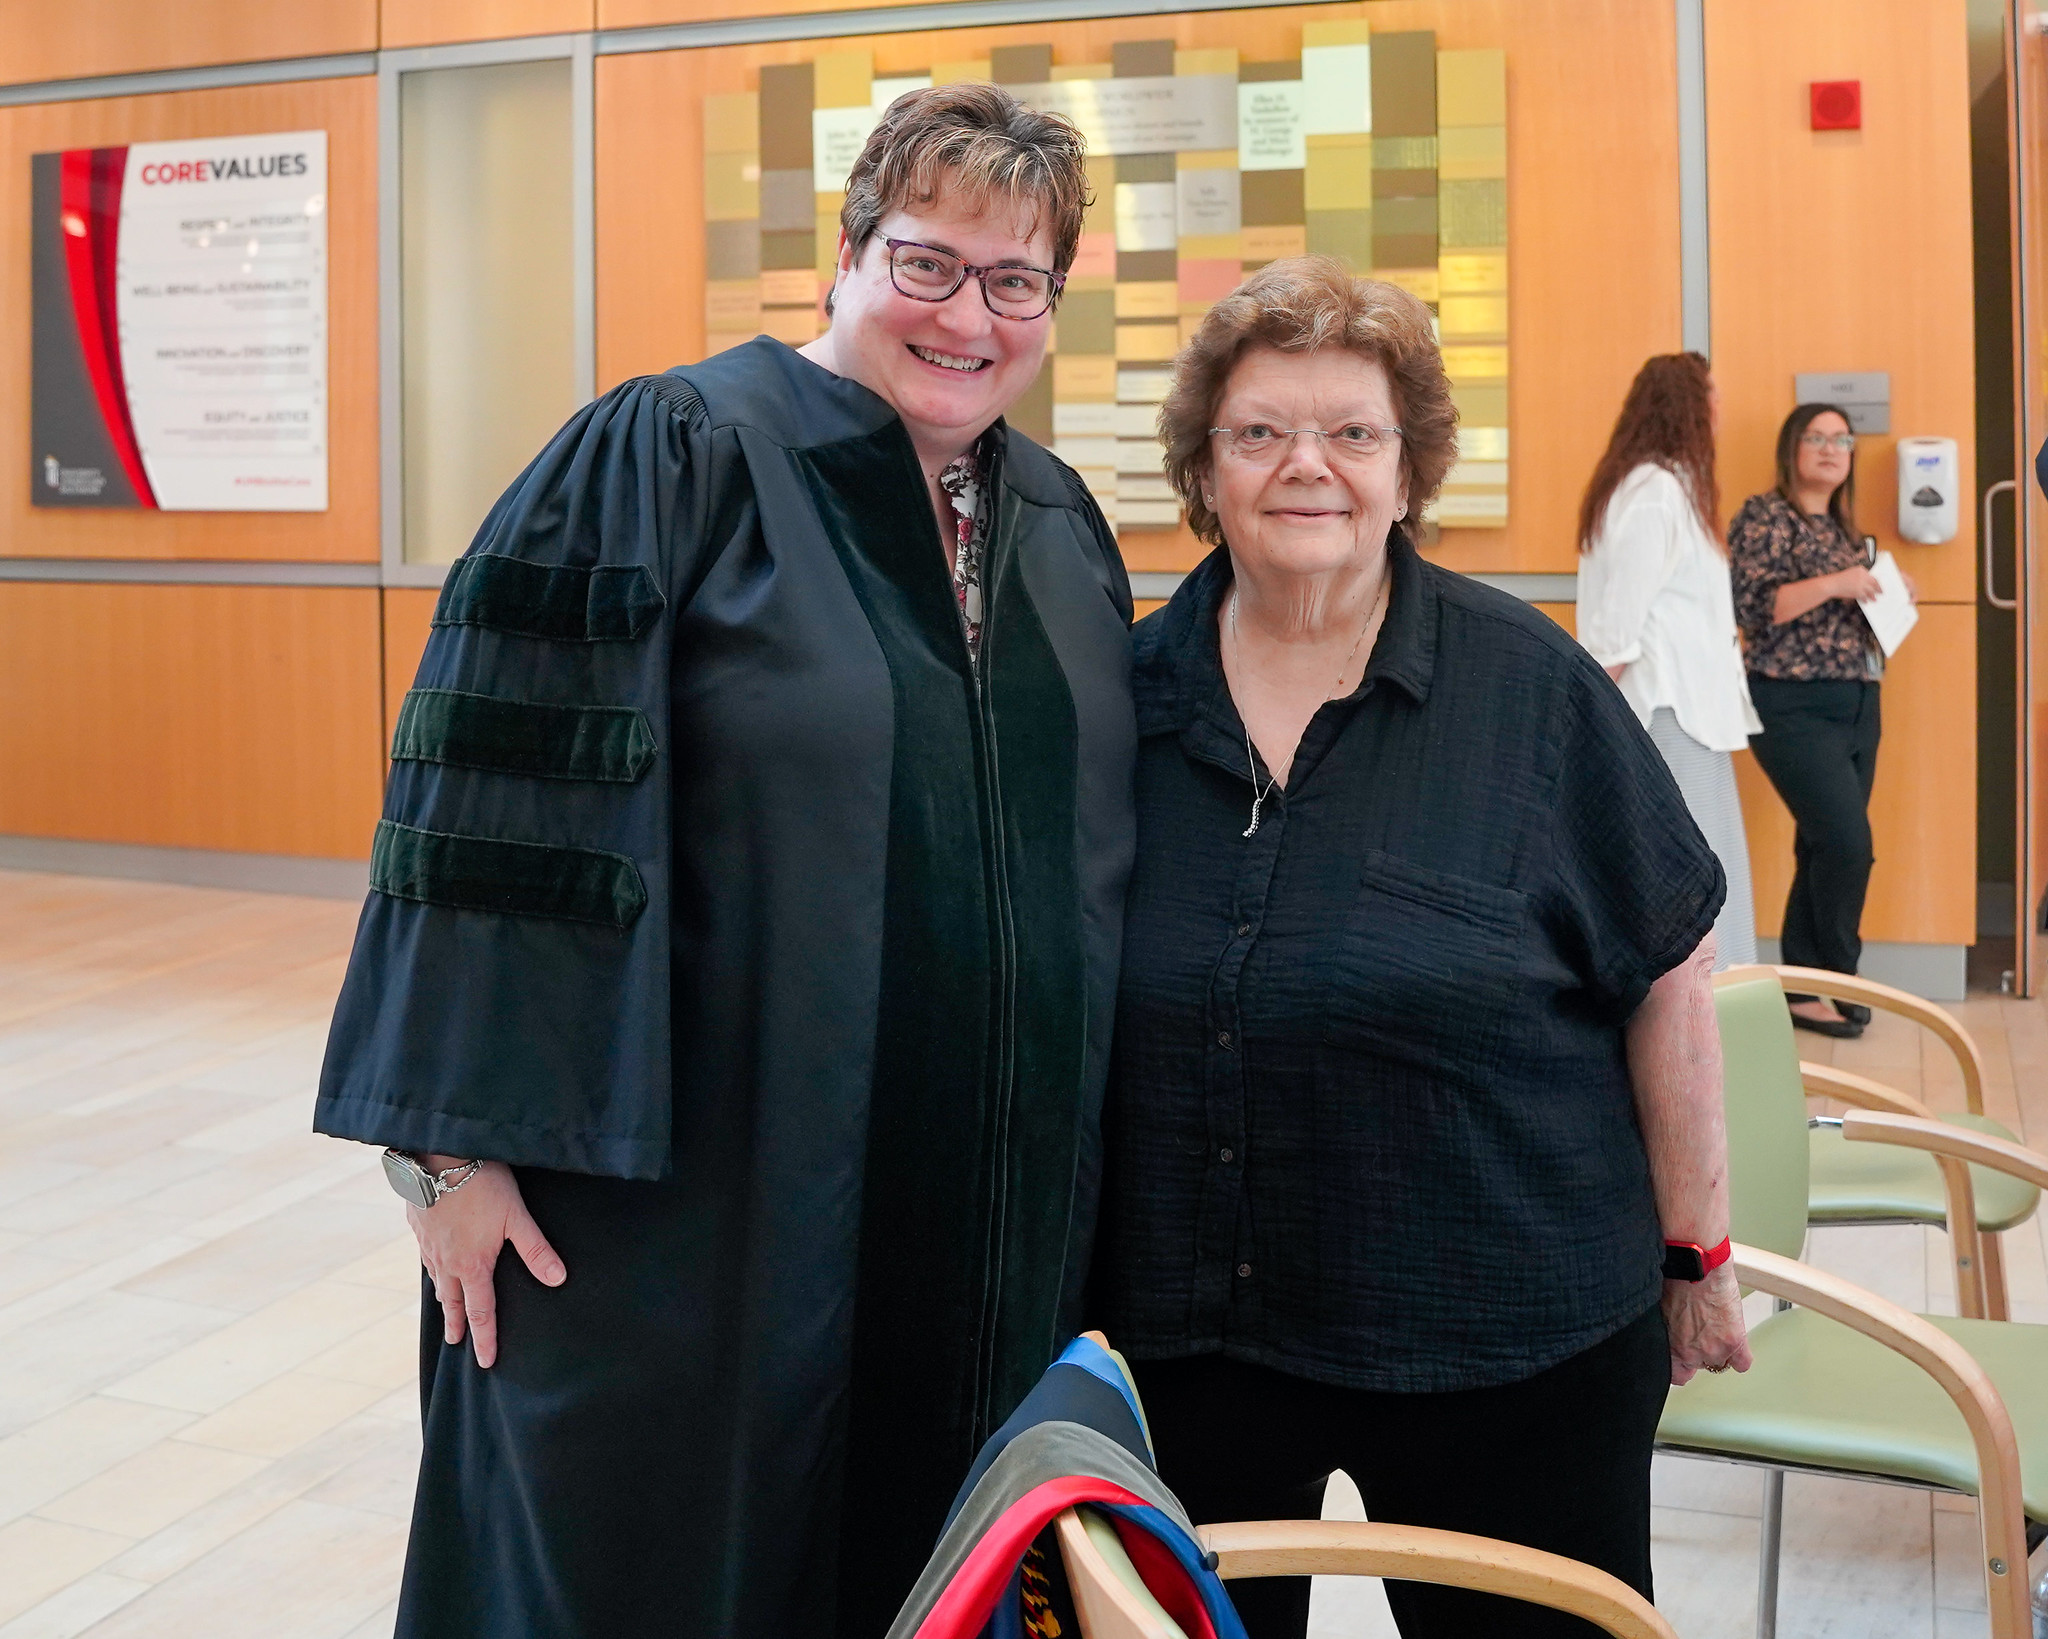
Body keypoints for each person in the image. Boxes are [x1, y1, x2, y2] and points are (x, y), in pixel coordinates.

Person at [313, 84, 1138, 1638]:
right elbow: (496, 810)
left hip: (984, 1244)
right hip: (698, 1236)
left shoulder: (1059, 524)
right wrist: (449, 1155)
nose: (968, 316)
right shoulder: (673, 455)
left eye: (1014, 279)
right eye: (928, 261)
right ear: (847, 255)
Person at [1091, 258, 1750, 1639]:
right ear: (1203, 469)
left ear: (1406, 472)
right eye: (1258, 431)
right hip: (1184, 1339)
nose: (1305, 465)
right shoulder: (1116, 697)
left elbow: (1667, 967)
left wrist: (1697, 1250)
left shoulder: (1529, 690)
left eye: (1352, 431)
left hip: (1503, 1339)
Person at [1576, 352, 1761, 969]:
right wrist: (1584, 726)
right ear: (1689, 407)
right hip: (1667, 715)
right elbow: (1615, 631)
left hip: (1689, 717)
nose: (1720, 411)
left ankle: (1716, 1014)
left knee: (1709, 875)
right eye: (1713, 398)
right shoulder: (1655, 493)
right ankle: (1698, 1018)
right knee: (1691, 888)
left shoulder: (1668, 489)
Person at [1729, 404, 1899, 1038]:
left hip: (1858, 700)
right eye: (1817, 438)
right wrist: (1837, 582)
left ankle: (1803, 989)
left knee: (1823, 844)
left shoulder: (1844, 528)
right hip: (1790, 702)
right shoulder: (1765, 516)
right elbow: (1753, 606)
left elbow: (1851, 600)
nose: (1831, 449)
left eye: (1842, 440)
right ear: (1792, 448)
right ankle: (1842, 976)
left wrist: (1887, 592)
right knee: (1848, 845)